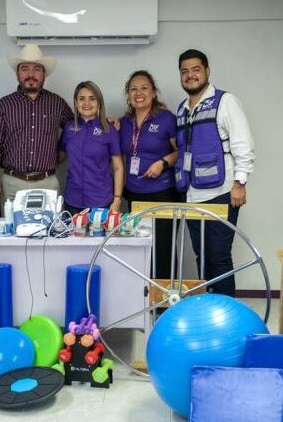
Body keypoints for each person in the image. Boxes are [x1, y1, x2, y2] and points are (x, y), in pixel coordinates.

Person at [176, 49, 255, 297]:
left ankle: (226, 312)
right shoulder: (182, 109)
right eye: (184, 71)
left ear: (207, 71)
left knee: (219, 258)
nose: (190, 75)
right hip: (192, 195)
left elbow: (243, 144)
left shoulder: (225, 101)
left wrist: (240, 183)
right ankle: (209, 307)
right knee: (202, 257)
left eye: (196, 70)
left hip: (221, 193)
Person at [0, 44, 72, 203]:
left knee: (50, 221)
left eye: (36, 69)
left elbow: (76, 129)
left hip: (47, 182)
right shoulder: (4, 105)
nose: (31, 74)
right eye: (25, 69)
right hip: (13, 184)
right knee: (12, 221)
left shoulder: (57, 103)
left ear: (44, 74)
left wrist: (103, 121)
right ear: (17, 73)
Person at [119, 70, 179, 280]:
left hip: (163, 193)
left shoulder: (167, 119)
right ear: (128, 95)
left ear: (154, 93)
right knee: (140, 247)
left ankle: (165, 297)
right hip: (134, 195)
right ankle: (142, 294)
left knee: (163, 249)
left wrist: (163, 163)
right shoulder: (123, 123)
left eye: (144, 88)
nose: (139, 93)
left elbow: (181, 152)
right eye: (133, 89)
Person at [58, 81, 124, 215]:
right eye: (82, 99)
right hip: (72, 200)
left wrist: (117, 199)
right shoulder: (69, 128)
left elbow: (118, 167)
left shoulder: (109, 129)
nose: (86, 103)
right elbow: (59, 157)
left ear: (99, 102)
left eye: (92, 98)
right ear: (76, 103)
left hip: (101, 200)